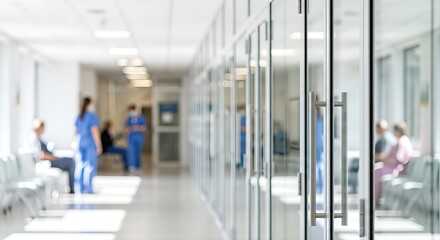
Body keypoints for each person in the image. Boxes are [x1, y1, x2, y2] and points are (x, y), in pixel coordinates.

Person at [375, 122, 413, 205]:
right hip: (394, 167)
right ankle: (376, 197)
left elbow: (397, 159)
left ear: (397, 131)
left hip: (397, 169)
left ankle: (376, 199)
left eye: (394, 131)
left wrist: (384, 160)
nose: (393, 133)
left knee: (376, 171)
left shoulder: (402, 142)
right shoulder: (401, 140)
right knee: (376, 167)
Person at [33, 119, 76, 194]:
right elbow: (42, 155)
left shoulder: (39, 138)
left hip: (52, 159)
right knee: (71, 162)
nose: (44, 130)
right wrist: (55, 158)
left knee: (70, 160)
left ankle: (72, 187)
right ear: (39, 128)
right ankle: (72, 188)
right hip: (49, 162)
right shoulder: (35, 139)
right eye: (42, 128)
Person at [75, 97, 102, 194]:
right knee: (90, 165)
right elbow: (94, 131)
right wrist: (98, 144)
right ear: (90, 104)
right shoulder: (92, 116)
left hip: (80, 142)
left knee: (80, 165)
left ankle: (79, 188)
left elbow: (76, 131)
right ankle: (89, 188)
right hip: (89, 143)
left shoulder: (79, 115)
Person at [126, 104, 146, 174]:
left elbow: (144, 128)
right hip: (131, 138)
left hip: (139, 138)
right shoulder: (129, 119)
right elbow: (127, 128)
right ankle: (131, 166)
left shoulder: (141, 118)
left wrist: (136, 128)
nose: (131, 113)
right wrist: (133, 128)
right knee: (131, 152)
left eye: (132, 111)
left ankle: (138, 167)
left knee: (138, 152)